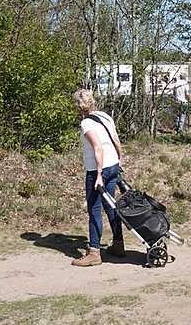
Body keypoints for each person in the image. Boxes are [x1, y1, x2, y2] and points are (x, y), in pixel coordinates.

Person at [71, 87, 126, 267]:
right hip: (113, 165)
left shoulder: (86, 123)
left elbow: (98, 148)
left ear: (78, 107)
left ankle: (94, 252)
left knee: (94, 209)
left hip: (98, 171)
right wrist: (119, 159)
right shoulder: (105, 116)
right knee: (111, 206)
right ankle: (118, 245)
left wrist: (99, 175)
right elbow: (116, 139)